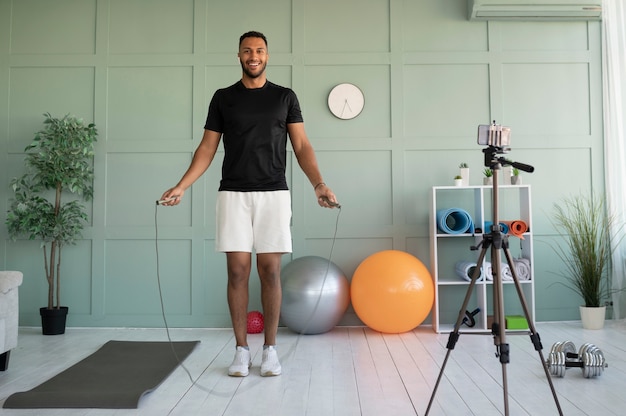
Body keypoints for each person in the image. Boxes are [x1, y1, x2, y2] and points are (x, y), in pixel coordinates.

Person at [160, 31, 338, 377]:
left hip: (274, 193)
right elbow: (207, 148)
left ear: (267, 56)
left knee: (270, 271)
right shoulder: (223, 98)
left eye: (259, 50)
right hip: (233, 194)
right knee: (237, 271)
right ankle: (242, 350)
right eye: (247, 50)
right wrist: (182, 186)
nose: (253, 55)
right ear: (239, 56)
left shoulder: (285, 97)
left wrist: (318, 183)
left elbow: (301, 146)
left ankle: (270, 350)